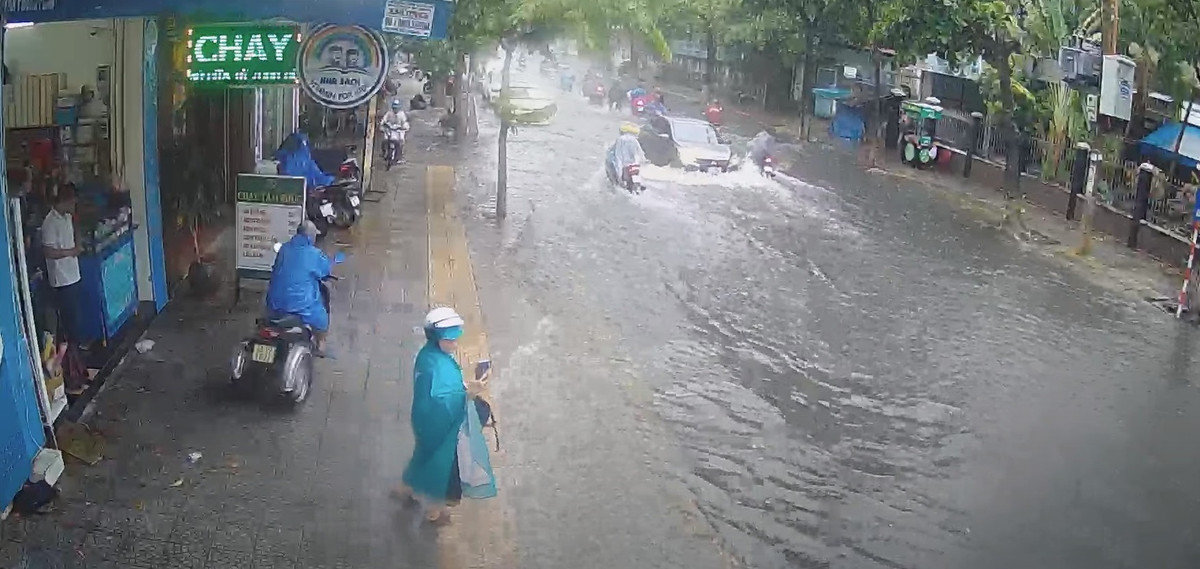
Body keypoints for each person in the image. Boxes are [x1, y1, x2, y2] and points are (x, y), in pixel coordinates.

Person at [396, 307, 496, 524]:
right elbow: (444, 400)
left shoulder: (429, 355)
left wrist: (467, 387)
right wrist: (469, 392)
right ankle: (434, 512)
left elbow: (444, 391)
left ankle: (405, 489)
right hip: (438, 426)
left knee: (423, 456)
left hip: (424, 421)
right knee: (441, 468)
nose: (455, 344)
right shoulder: (437, 366)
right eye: (451, 340)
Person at [266, 221, 334, 356]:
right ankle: (320, 344)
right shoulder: (314, 254)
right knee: (320, 316)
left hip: (275, 304)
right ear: (310, 237)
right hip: (302, 307)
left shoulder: (284, 249)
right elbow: (325, 270)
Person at [41, 185, 82, 342]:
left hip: (74, 275)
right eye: (73, 203)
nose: (74, 206)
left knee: (76, 318)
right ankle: (71, 354)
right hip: (62, 280)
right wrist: (70, 252)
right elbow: (48, 252)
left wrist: (78, 242)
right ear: (65, 201)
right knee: (69, 321)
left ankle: (76, 352)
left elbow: (74, 234)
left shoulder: (68, 217)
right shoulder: (50, 223)